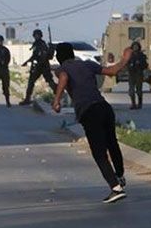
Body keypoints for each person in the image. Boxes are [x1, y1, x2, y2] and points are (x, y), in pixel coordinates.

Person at [52, 42, 131, 203]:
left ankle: (116, 188)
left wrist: (57, 100)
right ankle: (120, 175)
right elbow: (113, 71)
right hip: (104, 107)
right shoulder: (87, 64)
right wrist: (125, 59)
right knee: (112, 143)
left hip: (89, 112)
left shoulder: (62, 69)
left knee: (99, 152)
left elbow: (64, 78)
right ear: (72, 54)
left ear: (59, 57)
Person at [19, 29, 56, 105]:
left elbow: (41, 55)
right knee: (31, 82)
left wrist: (36, 63)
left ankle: (58, 95)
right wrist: (27, 62)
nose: (36, 36)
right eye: (35, 35)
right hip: (40, 65)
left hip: (42, 66)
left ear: (40, 36)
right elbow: (34, 55)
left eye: (37, 35)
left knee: (49, 81)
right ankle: (27, 99)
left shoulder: (41, 44)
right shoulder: (37, 44)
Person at [127, 41, 148, 110]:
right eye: (134, 46)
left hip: (139, 74)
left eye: (136, 46)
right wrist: (130, 65)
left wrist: (140, 63)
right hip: (131, 74)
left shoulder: (141, 55)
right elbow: (126, 64)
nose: (135, 48)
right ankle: (133, 104)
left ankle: (139, 104)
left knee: (139, 90)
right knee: (131, 91)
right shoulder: (129, 55)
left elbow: (145, 65)